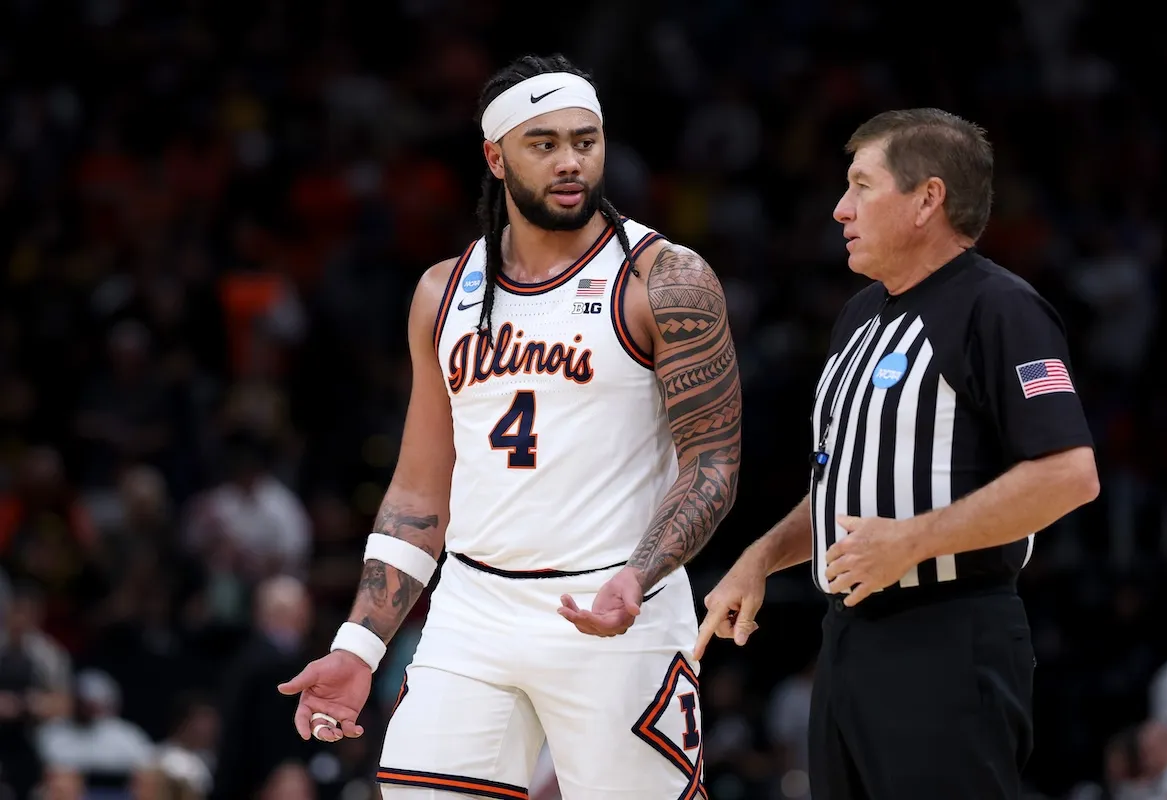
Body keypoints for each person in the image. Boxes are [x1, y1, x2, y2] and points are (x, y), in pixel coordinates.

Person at [279, 53, 742, 799]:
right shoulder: (443, 289)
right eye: (544, 143)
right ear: (496, 157)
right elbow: (418, 495)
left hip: (616, 616)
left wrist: (638, 575)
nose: (570, 162)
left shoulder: (666, 278)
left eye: (585, 141)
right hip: (474, 614)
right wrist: (359, 646)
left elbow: (713, 465)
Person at [695, 108, 1100, 799]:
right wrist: (759, 559)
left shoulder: (1001, 308)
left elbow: (1069, 475)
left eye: (861, 185)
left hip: (949, 636)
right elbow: (844, 485)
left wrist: (911, 542)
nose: (839, 208)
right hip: (849, 637)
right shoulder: (861, 316)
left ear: (927, 199)